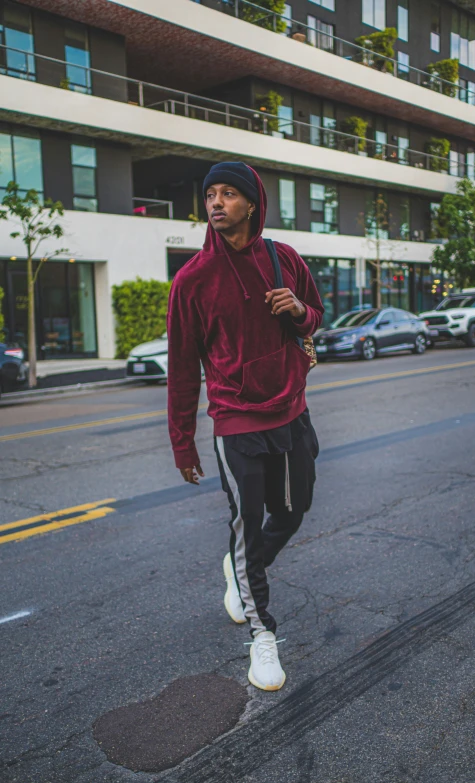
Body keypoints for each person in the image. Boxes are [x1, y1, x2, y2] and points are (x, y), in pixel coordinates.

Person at [167, 161, 324, 691]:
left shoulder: (284, 258)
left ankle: (239, 570)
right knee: (247, 523)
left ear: (251, 203)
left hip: (292, 409)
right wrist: (182, 443)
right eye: (209, 194)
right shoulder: (192, 281)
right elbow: (184, 369)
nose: (215, 203)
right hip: (236, 423)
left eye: (228, 194)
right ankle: (262, 635)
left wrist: (298, 310)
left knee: (294, 509)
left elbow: (316, 316)